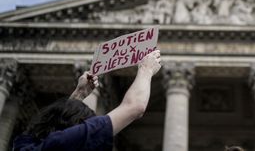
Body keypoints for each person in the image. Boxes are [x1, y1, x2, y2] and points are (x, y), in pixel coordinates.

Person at [13, 50, 162, 151]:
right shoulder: (61, 144)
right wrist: (146, 69)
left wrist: (79, 94)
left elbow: (59, 122)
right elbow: (135, 107)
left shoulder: (23, 144)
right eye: (85, 124)